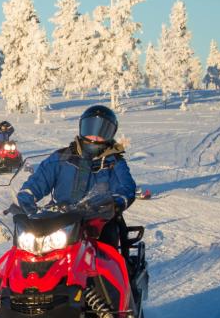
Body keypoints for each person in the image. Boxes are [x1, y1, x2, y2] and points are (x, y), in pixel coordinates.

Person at [16, 105, 136, 248]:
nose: (95, 136)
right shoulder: (62, 157)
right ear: (82, 128)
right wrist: (26, 200)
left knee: (108, 244)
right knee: (27, 247)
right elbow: (38, 181)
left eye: (102, 132)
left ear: (110, 135)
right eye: (90, 129)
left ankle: (112, 269)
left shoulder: (114, 162)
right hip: (59, 218)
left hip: (96, 220)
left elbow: (126, 188)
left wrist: (115, 203)